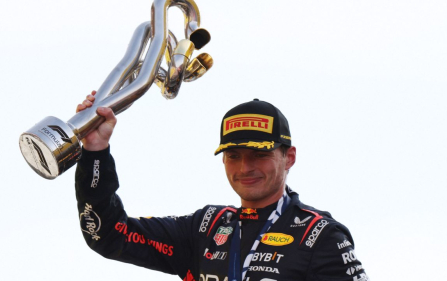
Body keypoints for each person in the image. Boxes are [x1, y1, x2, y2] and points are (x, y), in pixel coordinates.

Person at [75, 91, 369, 281]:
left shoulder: (319, 235)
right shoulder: (206, 227)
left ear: (288, 157)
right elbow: (108, 234)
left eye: (260, 154)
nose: (245, 168)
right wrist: (96, 151)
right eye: (233, 156)